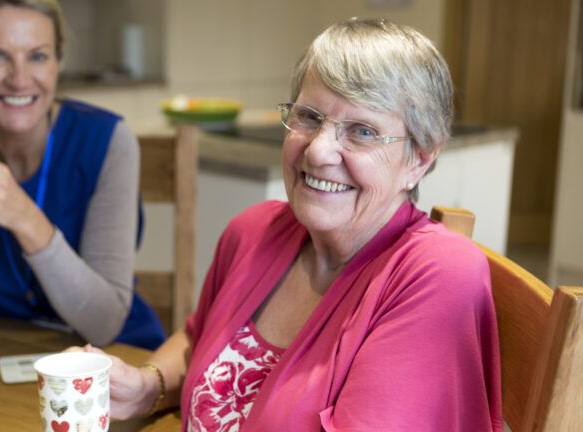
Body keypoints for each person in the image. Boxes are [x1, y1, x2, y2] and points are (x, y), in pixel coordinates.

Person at [69, 17, 503, 431]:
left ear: (421, 157)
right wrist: (147, 386)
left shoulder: (438, 275)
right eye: (309, 117)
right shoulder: (253, 231)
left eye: (363, 132)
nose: (317, 152)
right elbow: (199, 341)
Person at [0, 0, 165, 350]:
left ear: (57, 62)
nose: (19, 80)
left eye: (37, 56)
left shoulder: (107, 141)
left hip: (110, 361)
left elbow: (104, 323)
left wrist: (24, 216)